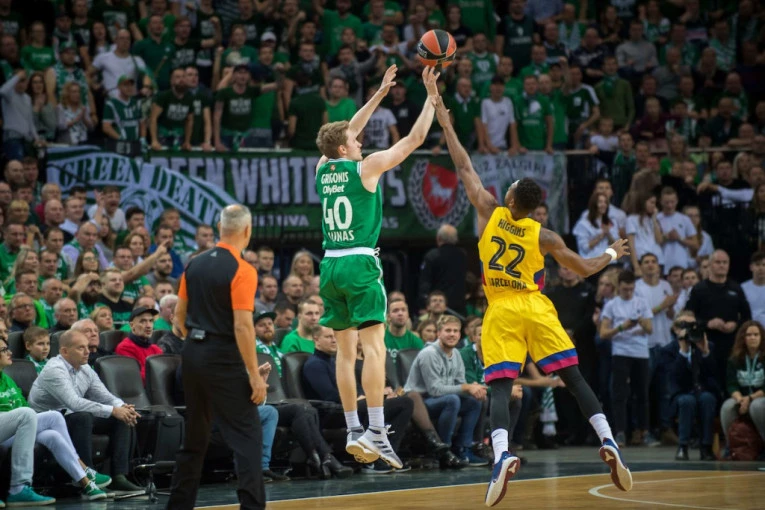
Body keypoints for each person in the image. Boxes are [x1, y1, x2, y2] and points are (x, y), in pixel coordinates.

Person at [431, 95, 632, 507]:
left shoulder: (489, 211)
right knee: (574, 379)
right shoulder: (545, 236)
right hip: (536, 306)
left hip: (502, 309)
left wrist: (446, 123)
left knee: (500, 387)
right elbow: (585, 267)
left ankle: (502, 454)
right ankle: (608, 440)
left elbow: (464, 165)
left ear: (510, 201)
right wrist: (613, 252)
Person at [314, 65, 440, 469]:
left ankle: (354, 428)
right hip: (359, 263)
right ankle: (376, 431)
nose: (361, 141)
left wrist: (380, 94)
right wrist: (431, 99)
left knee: (344, 353)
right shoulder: (365, 169)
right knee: (375, 349)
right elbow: (414, 139)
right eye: (356, 141)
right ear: (344, 149)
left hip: (330, 265)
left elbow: (345, 130)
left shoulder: (322, 168)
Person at [166, 205, 267, 510]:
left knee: (195, 439)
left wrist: (200, 341)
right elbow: (242, 326)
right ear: (247, 231)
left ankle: (178, 506)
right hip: (223, 356)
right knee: (248, 438)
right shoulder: (243, 269)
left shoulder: (194, 264)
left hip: (192, 355)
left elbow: (178, 318)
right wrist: (253, 375)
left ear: (220, 228)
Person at [28, 329, 144, 492]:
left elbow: (105, 396)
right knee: (82, 416)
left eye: (87, 347)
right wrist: (113, 410)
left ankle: (119, 476)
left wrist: (122, 407)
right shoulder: (54, 369)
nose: (87, 351)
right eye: (80, 348)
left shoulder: (85, 369)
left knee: (120, 417)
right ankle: (87, 477)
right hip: (47, 422)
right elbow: (74, 403)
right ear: (64, 351)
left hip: (69, 416)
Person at [0, 335, 109, 502]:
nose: (10, 352)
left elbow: (23, 406)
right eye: (3, 350)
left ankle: (85, 481)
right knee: (30, 414)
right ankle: (18, 488)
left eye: (8, 348)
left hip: (14, 427)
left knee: (53, 429)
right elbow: (24, 412)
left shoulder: (7, 379)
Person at [403, 315, 487, 467]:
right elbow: (435, 390)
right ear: (439, 333)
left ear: (460, 335)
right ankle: (444, 451)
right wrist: (466, 387)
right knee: (452, 400)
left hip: (441, 399)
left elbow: (460, 383)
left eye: (455, 331)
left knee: (474, 402)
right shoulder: (429, 353)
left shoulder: (456, 354)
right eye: (448, 330)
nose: (452, 334)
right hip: (420, 403)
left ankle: (463, 448)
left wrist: (473, 387)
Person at [667, 311, 719, 461]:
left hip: (703, 390)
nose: (689, 329)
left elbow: (714, 375)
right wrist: (683, 352)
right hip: (680, 392)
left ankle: (706, 447)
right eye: (684, 325)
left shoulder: (708, 346)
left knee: (707, 399)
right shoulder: (669, 349)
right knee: (687, 401)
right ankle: (682, 446)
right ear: (676, 329)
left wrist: (706, 352)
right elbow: (673, 377)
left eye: (692, 325)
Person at [721, 321, 765, 444]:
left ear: (761, 337)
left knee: (756, 406)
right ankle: (732, 446)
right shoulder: (734, 359)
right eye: (749, 335)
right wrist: (740, 399)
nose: (753, 338)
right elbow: (731, 384)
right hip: (741, 397)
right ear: (743, 338)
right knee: (728, 407)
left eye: (756, 334)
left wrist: (750, 398)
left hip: (760, 397)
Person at [417, 224, 467, 315]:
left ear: (438, 238)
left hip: (438, 307)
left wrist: (423, 304)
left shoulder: (432, 256)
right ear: (456, 239)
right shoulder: (462, 256)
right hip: (459, 306)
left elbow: (425, 282)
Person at [114, 306, 163, 383]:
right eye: (143, 321)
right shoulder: (124, 348)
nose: (148, 326)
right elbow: (136, 377)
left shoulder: (156, 349)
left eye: (151, 321)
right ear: (132, 325)